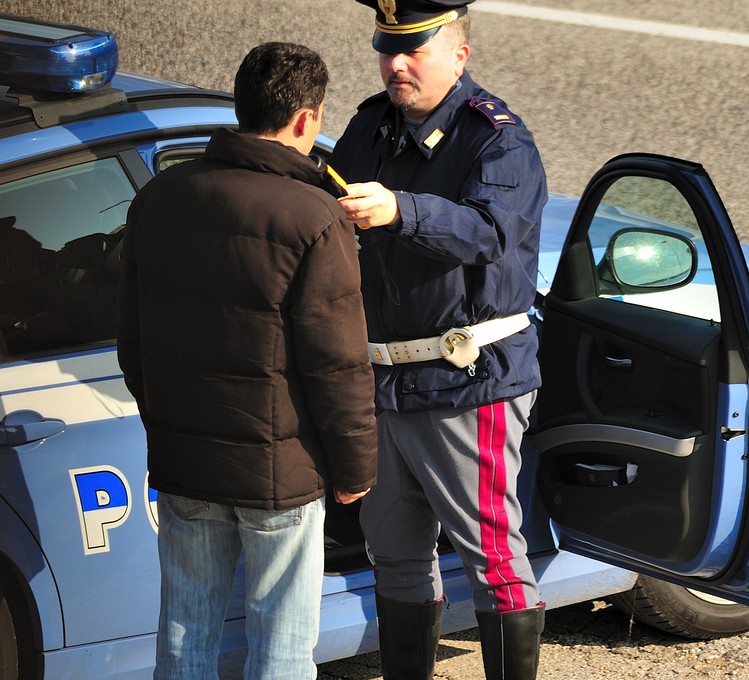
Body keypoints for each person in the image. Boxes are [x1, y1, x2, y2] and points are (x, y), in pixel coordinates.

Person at [116, 42, 378, 680]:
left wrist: (169, 421)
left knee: (185, 635)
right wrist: (355, 467)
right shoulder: (315, 217)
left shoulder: (160, 196)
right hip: (280, 474)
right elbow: (336, 364)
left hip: (186, 465)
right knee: (282, 647)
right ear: (306, 121)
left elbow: (133, 339)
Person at [329, 1, 547, 678]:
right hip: (383, 381)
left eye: (414, 50)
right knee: (392, 553)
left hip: (467, 379)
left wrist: (401, 210)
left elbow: (490, 232)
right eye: (387, 49)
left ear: (460, 54)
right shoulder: (371, 127)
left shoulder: (498, 141)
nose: (396, 64)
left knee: (492, 557)